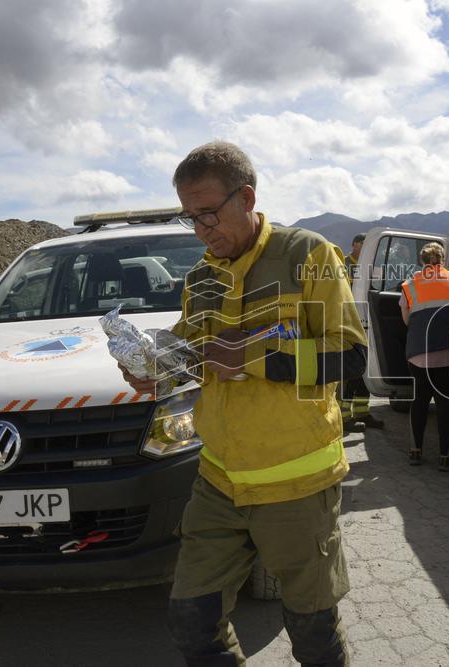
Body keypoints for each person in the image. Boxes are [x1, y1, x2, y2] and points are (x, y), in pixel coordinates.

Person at [120, 141, 366, 665]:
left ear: (246, 196)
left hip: (297, 483)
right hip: (219, 481)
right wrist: (155, 371)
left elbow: (349, 356)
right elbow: (192, 355)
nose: (202, 229)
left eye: (208, 213)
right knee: (191, 621)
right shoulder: (200, 278)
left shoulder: (309, 255)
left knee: (313, 635)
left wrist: (253, 356)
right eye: (191, 218)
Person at [398, 242, 449, 471]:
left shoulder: (410, 285)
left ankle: (416, 452)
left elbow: (407, 319)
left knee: (420, 402)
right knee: (446, 403)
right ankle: (445, 457)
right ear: (443, 259)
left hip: (420, 354)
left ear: (422, 260)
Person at [338, 233, 384, 432]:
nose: (366, 249)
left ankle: (362, 412)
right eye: (362, 245)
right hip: (348, 325)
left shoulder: (370, 267)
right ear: (354, 244)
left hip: (367, 325)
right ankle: (344, 417)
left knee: (364, 370)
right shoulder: (343, 265)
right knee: (350, 373)